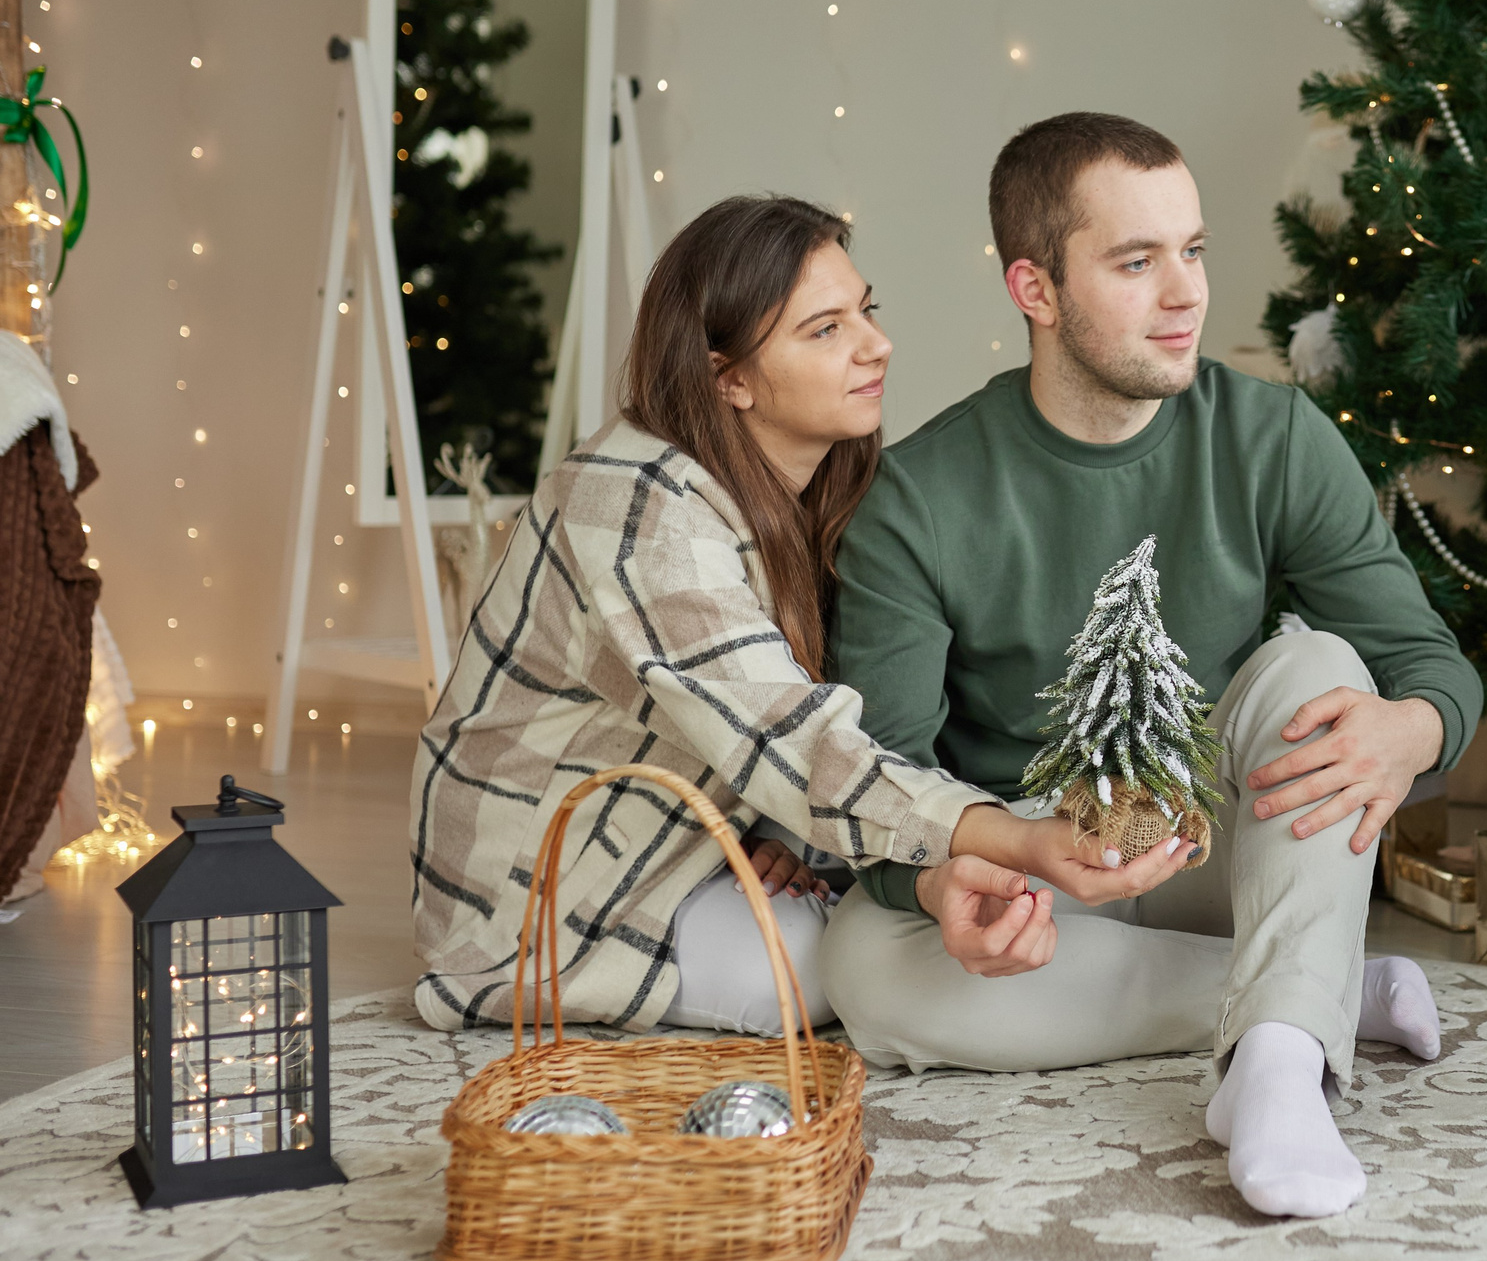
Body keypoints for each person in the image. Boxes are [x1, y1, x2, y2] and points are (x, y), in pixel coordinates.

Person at [823, 112, 1482, 1219]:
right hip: (1036, 877)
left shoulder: (1273, 437)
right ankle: (1316, 989)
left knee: (1318, 661)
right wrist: (943, 884)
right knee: (865, 968)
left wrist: (1411, 730)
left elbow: (1432, 667)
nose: (1186, 294)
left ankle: (1279, 1067)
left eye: (1194, 250)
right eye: (1136, 263)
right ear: (1034, 289)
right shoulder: (917, 498)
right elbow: (881, 790)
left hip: (1213, 848)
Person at [410, 195, 1188, 1035]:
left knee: (951, 885)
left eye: (866, 310)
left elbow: (800, 725)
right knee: (846, 961)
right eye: (824, 330)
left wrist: (784, 831)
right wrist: (1005, 841)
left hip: (690, 831)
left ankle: (1234, 978)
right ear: (729, 378)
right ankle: (1244, 998)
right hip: (543, 897)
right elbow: (793, 739)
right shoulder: (639, 506)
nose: (876, 344)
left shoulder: (819, 482)